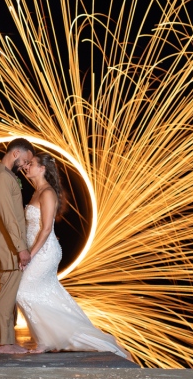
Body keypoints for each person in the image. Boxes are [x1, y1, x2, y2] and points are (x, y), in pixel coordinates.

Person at [17, 152, 131, 359]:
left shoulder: (47, 193)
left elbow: (45, 229)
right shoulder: (37, 191)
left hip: (43, 252)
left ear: (42, 169)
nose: (27, 167)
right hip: (38, 249)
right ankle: (48, 341)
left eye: (31, 164)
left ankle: (52, 340)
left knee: (23, 293)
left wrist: (30, 254)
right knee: (47, 293)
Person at [0, 138, 35, 354]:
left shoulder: (4, 175)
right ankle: (3, 344)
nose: (26, 166)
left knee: (9, 291)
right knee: (7, 293)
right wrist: (20, 247)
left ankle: (7, 340)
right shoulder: (2, 178)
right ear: (15, 154)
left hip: (10, 243)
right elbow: (8, 217)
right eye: (25, 161)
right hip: (9, 244)